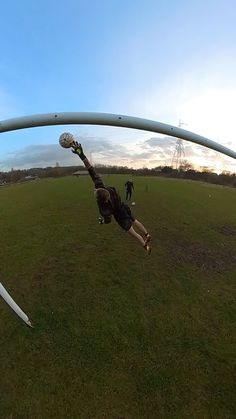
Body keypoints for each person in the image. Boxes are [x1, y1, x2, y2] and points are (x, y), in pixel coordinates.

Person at [65, 137, 152, 254]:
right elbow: (90, 168)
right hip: (124, 207)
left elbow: (108, 220)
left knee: (133, 233)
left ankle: (145, 246)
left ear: (100, 199)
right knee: (135, 221)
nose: (94, 191)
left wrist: (102, 221)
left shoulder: (104, 208)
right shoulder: (102, 186)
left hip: (120, 216)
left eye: (95, 193)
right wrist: (81, 155)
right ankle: (147, 234)